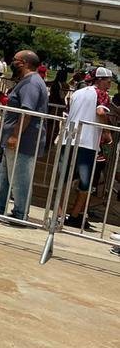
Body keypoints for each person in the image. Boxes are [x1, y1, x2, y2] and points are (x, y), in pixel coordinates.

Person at [0, 50, 49, 223]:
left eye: (14, 60)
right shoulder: (27, 80)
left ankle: (20, 214)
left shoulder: (31, 83)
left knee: (20, 178)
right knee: (6, 175)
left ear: (24, 63)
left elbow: (26, 112)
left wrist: (15, 136)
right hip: (16, 138)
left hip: (24, 139)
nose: (11, 62)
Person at [61, 67, 114, 229]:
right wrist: (106, 132)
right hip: (88, 143)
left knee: (65, 180)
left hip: (68, 139)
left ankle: (59, 214)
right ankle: (75, 215)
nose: (109, 85)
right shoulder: (101, 94)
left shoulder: (77, 93)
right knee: (86, 183)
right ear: (99, 80)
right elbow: (100, 112)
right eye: (107, 81)